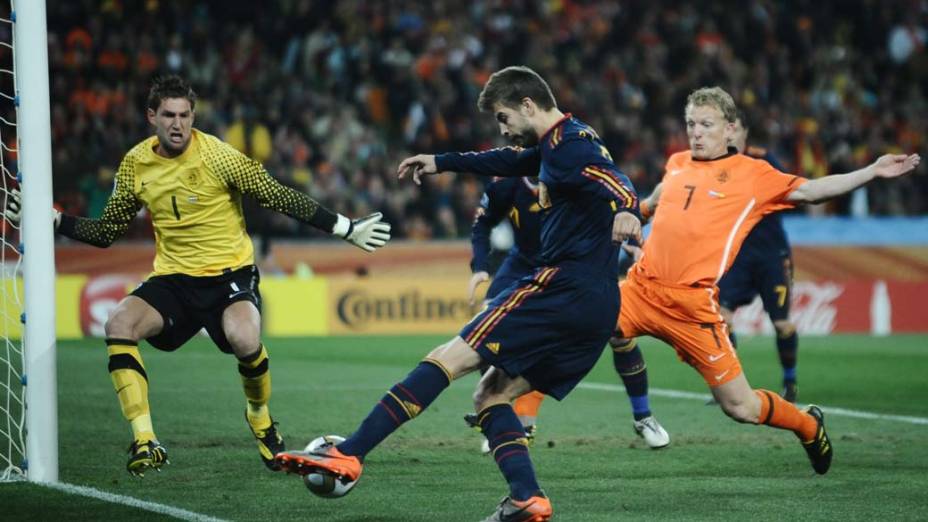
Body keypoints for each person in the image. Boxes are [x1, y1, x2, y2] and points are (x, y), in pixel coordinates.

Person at [275, 65, 641, 521]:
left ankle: (349, 453)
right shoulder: (557, 145)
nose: (504, 129)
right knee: (491, 395)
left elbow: (614, 178)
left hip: (559, 287)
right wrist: (441, 161)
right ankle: (527, 498)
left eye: (505, 118)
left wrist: (628, 208)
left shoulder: (571, 145)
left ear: (529, 105)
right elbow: (505, 162)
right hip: (597, 306)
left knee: (451, 356)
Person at [5, 75, 391, 477]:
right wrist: (52, 220)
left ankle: (259, 418)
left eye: (185, 115)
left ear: (193, 116)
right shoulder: (136, 162)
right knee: (118, 322)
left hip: (230, 276)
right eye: (169, 115)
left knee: (245, 338)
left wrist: (345, 227)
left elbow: (278, 195)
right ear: (151, 117)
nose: (177, 124)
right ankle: (145, 440)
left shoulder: (219, 157)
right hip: (173, 279)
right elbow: (107, 232)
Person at [614, 86, 919, 476]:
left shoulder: (754, 175)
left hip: (692, 308)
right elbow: (656, 201)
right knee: (582, 323)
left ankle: (807, 424)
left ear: (729, 130)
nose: (696, 132)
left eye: (706, 124)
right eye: (691, 124)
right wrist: (629, 215)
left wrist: (872, 171)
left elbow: (810, 191)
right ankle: (520, 418)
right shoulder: (676, 163)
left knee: (740, 407)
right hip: (642, 289)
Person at [465, 176, 668, 452]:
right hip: (523, 264)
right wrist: (480, 265)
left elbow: (609, 207)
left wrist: (630, 237)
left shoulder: (575, 168)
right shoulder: (505, 180)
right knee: (485, 331)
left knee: (618, 332)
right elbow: (483, 223)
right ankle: (500, 419)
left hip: (571, 267)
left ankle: (644, 417)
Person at [719, 111, 800, 402]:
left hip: (771, 256)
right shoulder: (715, 165)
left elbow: (791, 192)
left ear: (745, 132)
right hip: (738, 257)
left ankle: (790, 382)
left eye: (734, 128)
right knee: (721, 320)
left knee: (782, 324)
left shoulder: (764, 161)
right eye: (725, 129)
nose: (729, 134)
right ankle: (731, 385)